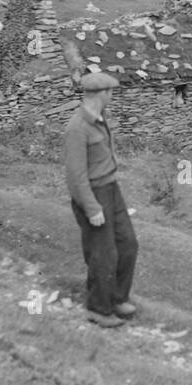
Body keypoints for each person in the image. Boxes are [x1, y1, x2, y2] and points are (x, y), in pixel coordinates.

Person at [63, 71, 139, 328]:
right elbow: (75, 176)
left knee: (127, 244)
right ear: (101, 94)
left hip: (111, 189)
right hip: (93, 194)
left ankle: (116, 298)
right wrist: (91, 207)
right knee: (102, 253)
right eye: (110, 93)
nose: (112, 97)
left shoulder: (99, 119)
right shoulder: (77, 128)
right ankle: (98, 308)